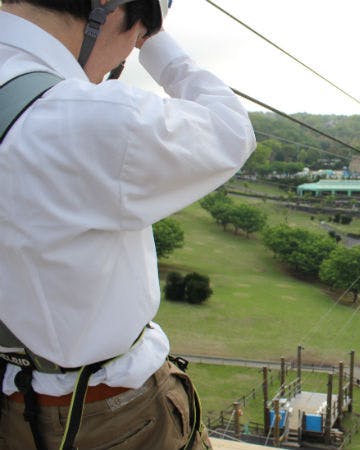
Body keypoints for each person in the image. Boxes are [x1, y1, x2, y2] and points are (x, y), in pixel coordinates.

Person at [0, 0, 256, 449]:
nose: (122, 60)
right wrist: (158, 45)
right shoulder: (89, 116)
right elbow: (230, 130)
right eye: (135, 37)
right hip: (105, 414)